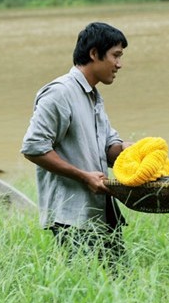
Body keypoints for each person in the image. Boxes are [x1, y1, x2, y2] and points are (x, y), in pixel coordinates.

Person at [21, 22, 132, 266]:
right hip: (72, 216)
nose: (119, 64)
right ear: (94, 54)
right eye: (115, 55)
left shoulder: (93, 94)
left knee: (120, 281)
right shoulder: (60, 93)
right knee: (86, 286)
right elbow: (33, 147)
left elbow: (107, 146)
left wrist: (128, 150)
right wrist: (84, 176)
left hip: (101, 210)